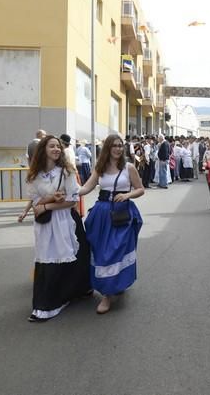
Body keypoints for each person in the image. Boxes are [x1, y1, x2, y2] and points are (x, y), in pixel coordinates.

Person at [22, 135, 92, 322]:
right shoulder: (34, 174)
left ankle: (73, 292)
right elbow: (35, 200)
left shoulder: (66, 172)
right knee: (48, 260)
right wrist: (49, 199)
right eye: (52, 146)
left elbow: (71, 201)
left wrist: (46, 206)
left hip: (65, 219)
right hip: (46, 223)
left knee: (76, 255)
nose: (56, 149)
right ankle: (46, 305)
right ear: (43, 149)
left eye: (58, 147)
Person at [79, 134, 144, 314]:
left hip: (122, 214)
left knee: (116, 251)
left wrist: (127, 195)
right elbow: (86, 187)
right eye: (114, 145)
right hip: (102, 214)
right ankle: (108, 290)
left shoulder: (129, 167)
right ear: (107, 147)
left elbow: (140, 189)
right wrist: (70, 190)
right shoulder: (100, 168)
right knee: (102, 253)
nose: (118, 148)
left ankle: (109, 293)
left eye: (120, 145)